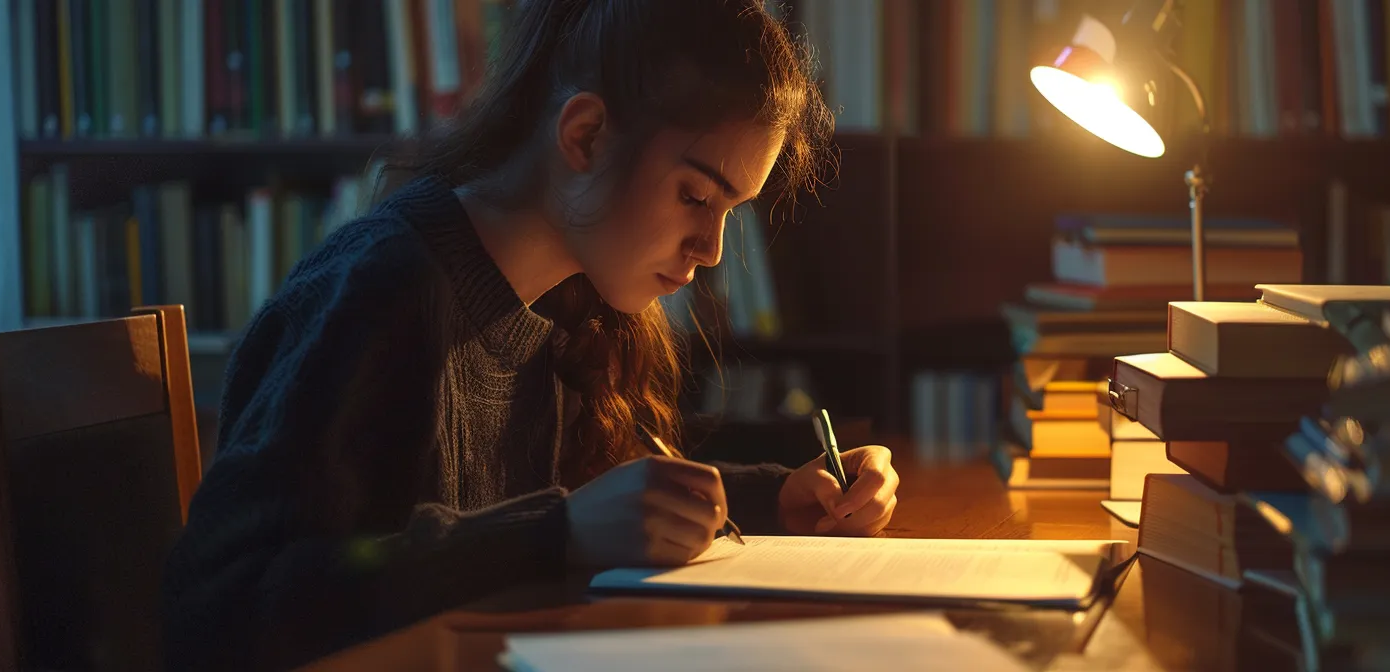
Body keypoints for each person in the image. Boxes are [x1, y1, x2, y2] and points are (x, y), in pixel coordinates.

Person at [160, 1, 901, 669]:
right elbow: (224, 615)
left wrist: (779, 499)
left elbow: (576, 498)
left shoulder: (575, 307)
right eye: (696, 196)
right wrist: (556, 534)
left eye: (729, 211)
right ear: (584, 135)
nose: (710, 249)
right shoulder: (378, 293)